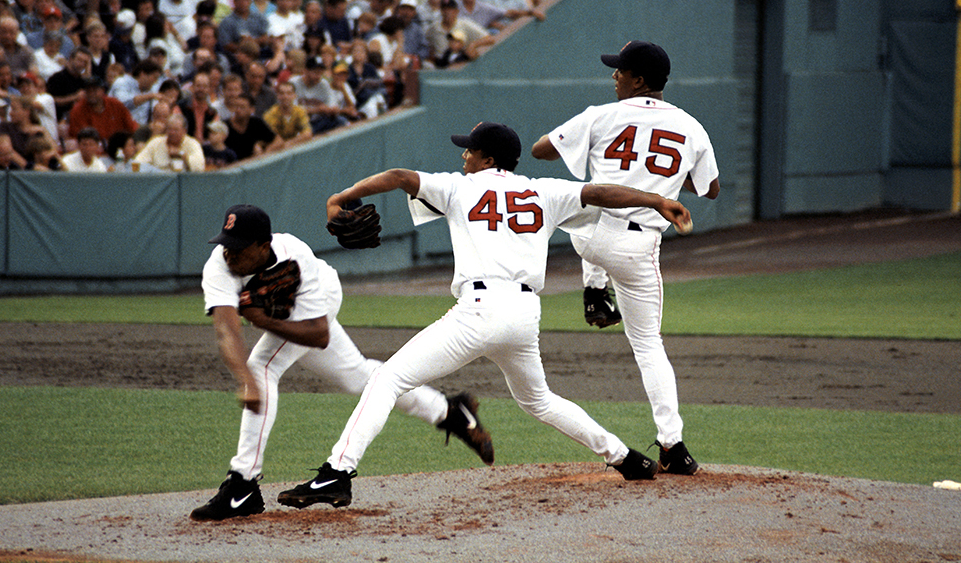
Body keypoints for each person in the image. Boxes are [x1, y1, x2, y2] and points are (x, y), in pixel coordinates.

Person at [275, 121, 694, 510]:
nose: (464, 157)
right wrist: (657, 200)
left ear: (488, 159)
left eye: (470, 151)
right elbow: (600, 192)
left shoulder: (460, 187)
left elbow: (401, 177)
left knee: (387, 379)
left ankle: (337, 473)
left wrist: (341, 198)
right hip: (524, 315)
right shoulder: (543, 191)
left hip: (478, 312)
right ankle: (625, 458)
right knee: (539, 400)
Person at [189, 202, 496, 521]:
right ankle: (449, 412)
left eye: (238, 248)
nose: (229, 253)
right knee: (358, 377)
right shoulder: (219, 267)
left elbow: (318, 334)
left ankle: (242, 484)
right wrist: (244, 382)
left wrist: (263, 323)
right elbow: (227, 331)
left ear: (262, 245)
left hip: (320, 301)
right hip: (287, 315)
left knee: (263, 366)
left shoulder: (295, 253)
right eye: (226, 244)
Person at [531, 41, 720, 476]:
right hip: (636, 250)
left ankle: (595, 290)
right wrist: (665, 178)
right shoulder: (692, 127)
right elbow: (709, 188)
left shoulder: (601, 114)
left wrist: (589, 141)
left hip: (585, 235)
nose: (613, 76)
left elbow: (541, 150)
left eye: (620, 71)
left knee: (579, 199)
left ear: (639, 80)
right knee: (648, 345)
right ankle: (673, 445)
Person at [66, 77, 140, 145]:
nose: (91, 94)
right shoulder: (78, 110)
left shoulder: (115, 104)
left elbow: (132, 127)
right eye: (88, 91)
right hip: (92, 151)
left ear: (103, 90)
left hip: (118, 149)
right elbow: (78, 139)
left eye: (95, 90)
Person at [132, 112, 205, 171]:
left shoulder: (192, 143)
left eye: (176, 130)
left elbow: (199, 166)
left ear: (184, 131)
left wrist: (181, 155)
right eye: (169, 129)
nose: (172, 133)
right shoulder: (156, 142)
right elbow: (138, 162)